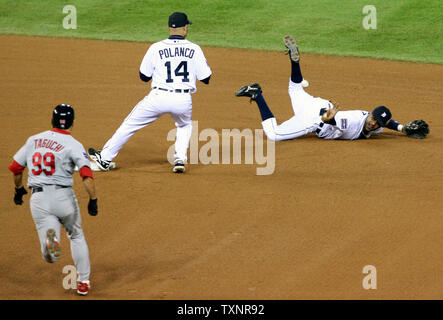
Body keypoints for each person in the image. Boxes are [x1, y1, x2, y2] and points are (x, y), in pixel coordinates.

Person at [235, 35, 429, 141]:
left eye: (377, 123)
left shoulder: (373, 122)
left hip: (318, 105)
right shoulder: (353, 121)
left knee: (296, 89)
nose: (374, 125)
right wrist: (329, 118)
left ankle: (295, 62)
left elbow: (386, 122)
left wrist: (402, 128)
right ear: (369, 114)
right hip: (316, 119)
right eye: (374, 120)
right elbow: (337, 120)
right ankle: (257, 94)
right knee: (274, 135)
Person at [88, 12, 212, 173]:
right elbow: (206, 78)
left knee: (130, 124)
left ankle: (104, 158)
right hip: (182, 99)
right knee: (184, 125)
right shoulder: (194, 49)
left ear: (169, 27)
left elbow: (143, 76)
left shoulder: (156, 47)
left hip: (158, 97)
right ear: (185, 28)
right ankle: (180, 159)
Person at [8, 104, 98, 296]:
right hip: (63, 197)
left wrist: (18, 190)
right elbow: (86, 175)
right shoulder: (74, 144)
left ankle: (50, 246)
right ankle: (83, 282)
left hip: (39, 199)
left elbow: (16, 167)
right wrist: (93, 199)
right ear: (72, 123)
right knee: (76, 235)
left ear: (52, 120)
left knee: (49, 240)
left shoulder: (33, 140)